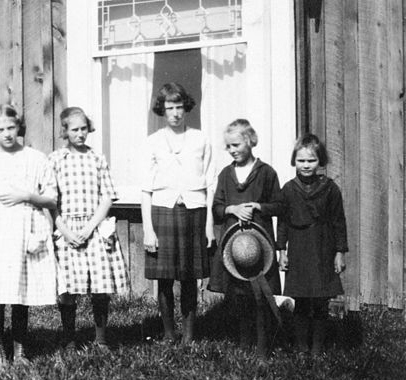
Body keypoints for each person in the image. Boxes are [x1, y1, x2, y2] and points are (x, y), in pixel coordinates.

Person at [0, 104, 58, 372]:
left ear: (19, 126)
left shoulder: (36, 158)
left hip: (27, 230)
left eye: (11, 127)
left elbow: (52, 198)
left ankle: (20, 349)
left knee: (21, 293)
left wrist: (27, 196)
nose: (7, 134)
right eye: (0, 130)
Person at [140, 82, 216, 344]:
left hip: (194, 213)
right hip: (163, 211)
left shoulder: (200, 139)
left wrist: (208, 226)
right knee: (164, 278)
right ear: (162, 109)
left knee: (189, 277)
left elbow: (210, 184)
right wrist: (148, 229)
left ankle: (189, 336)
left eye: (179, 107)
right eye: (169, 107)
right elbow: (145, 189)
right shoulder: (153, 142)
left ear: (187, 108)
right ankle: (169, 333)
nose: (175, 113)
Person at [49, 106, 128, 351]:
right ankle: (69, 338)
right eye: (75, 129)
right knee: (68, 287)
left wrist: (90, 227)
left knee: (100, 286)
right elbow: (51, 201)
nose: (80, 134)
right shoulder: (56, 160)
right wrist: (65, 230)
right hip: (67, 227)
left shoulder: (97, 158)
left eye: (84, 129)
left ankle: (101, 338)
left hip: (94, 227)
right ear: (65, 131)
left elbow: (107, 197)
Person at [208, 119, 284, 357]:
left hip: (259, 244)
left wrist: (259, 206)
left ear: (250, 142)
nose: (232, 150)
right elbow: (217, 208)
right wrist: (232, 209)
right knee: (240, 296)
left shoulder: (266, 173)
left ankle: (263, 346)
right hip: (234, 245)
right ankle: (244, 342)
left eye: (236, 145)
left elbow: (279, 205)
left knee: (260, 294)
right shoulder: (226, 174)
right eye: (229, 146)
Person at [277, 133, 347, 356]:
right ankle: (301, 348)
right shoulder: (288, 189)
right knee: (301, 300)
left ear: (320, 161)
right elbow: (283, 222)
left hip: (322, 248)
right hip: (298, 249)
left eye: (311, 160)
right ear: (294, 161)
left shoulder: (330, 189)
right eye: (301, 160)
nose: (306, 165)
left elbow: (338, 222)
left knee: (320, 301)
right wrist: (282, 251)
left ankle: (317, 350)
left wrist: (339, 252)